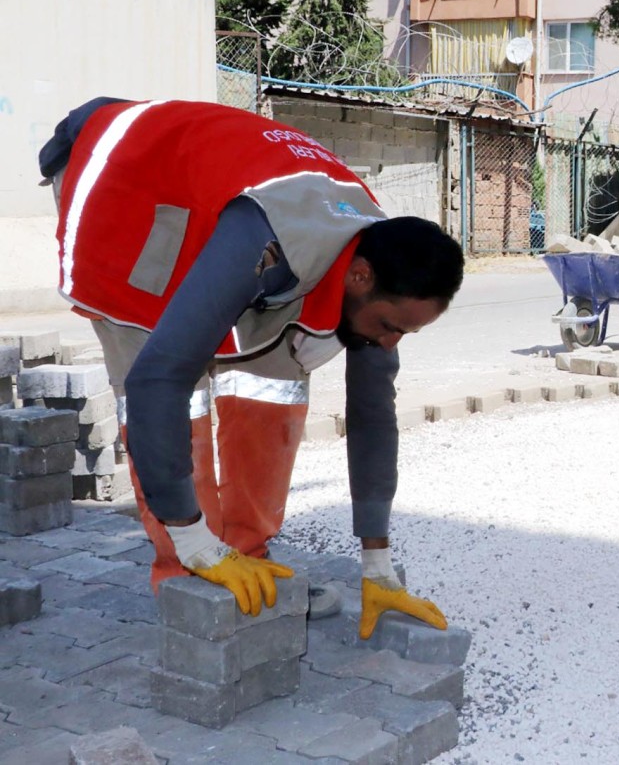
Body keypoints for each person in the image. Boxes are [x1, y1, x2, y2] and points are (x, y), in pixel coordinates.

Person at [39, 98, 464, 637]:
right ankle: (187, 573)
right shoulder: (268, 240)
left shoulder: (385, 260)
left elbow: (373, 416)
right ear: (358, 277)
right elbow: (155, 384)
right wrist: (192, 536)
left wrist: (376, 563)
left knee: (271, 387)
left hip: (223, 202)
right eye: (390, 327)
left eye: (403, 333)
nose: (389, 342)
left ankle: (248, 558)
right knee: (172, 376)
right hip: (125, 186)